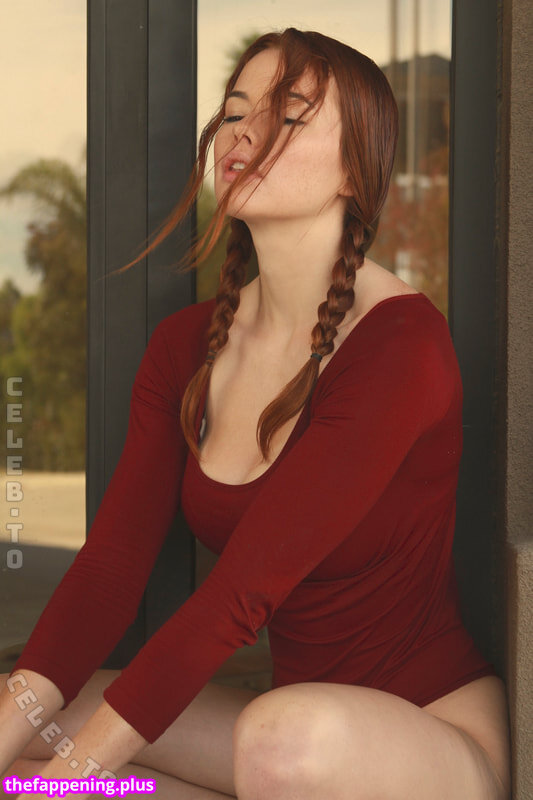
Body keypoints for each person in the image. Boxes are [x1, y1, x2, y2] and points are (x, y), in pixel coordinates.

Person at [0, 28, 510, 800]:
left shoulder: (400, 344)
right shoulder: (185, 348)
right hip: (282, 728)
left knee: (271, 742)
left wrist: (72, 780)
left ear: (356, 167)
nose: (244, 132)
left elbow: (240, 595)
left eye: (289, 115)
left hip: (428, 736)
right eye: (236, 111)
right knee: (40, 719)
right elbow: (109, 571)